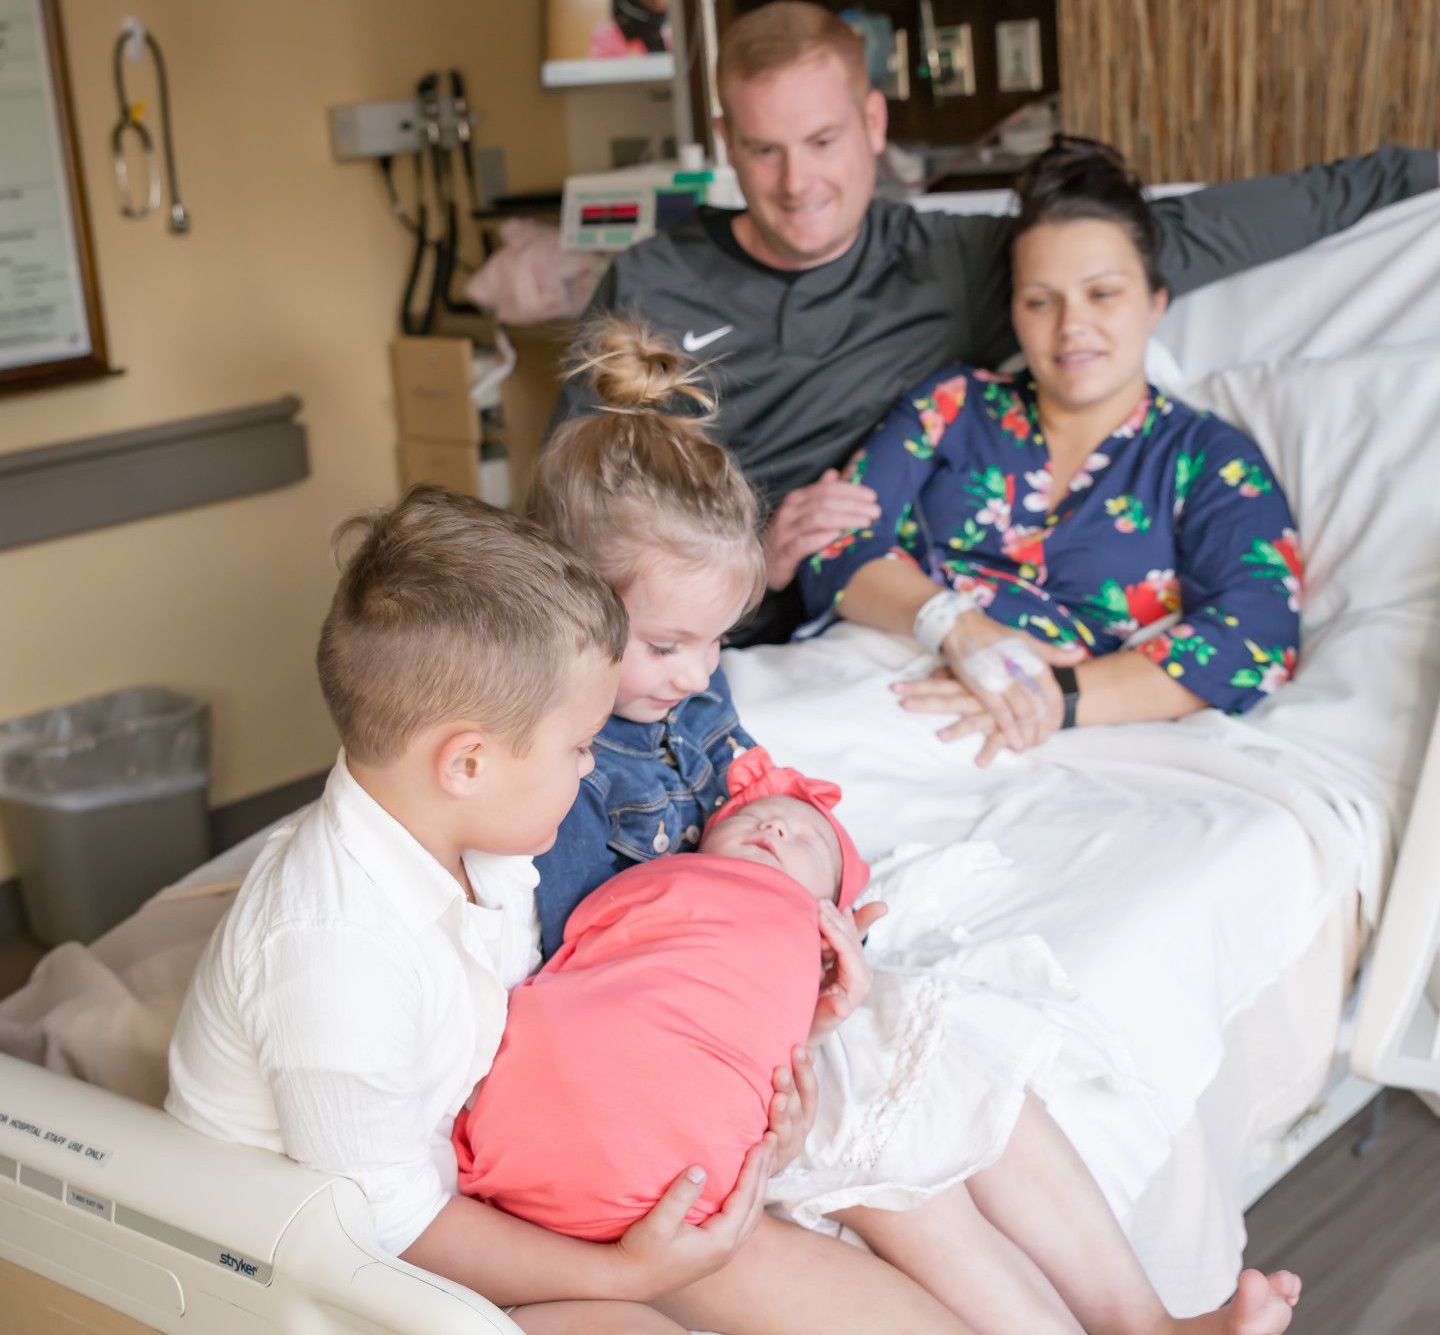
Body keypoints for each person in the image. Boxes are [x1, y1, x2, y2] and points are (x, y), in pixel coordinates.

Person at [530, 316, 1304, 1335]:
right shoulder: (555, 774)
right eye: (671, 644)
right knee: (910, 1177)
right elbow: (586, 970)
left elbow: (769, 803)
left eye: (719, 642)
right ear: (565, 607)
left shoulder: (690, 701)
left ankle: (1146, 1323)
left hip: (765, 984)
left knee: (957, 1061)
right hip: (692, 1037)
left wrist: (824, 902)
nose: (700, 674)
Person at [552, 0, 1438, 644]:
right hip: (671, 635)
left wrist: (1408, 174)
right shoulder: (652, 282)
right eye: (764, 150)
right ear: (725, 140)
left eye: (823, 141)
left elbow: (1197, 229)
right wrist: (755, 555)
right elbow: (570, 514)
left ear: (872, 121)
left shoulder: (957, 266)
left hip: (852, 626)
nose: (797, 184)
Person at [165, 490, 779, 1335]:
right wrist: (619, 1272)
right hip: (322, 1280)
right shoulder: (333, 953)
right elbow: (386, 1227)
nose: (591, 765)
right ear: (468, 763)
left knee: (791, 1262)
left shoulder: (481, 839)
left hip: (463, 1189)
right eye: (579, 746)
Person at [798, 136, 1301, 767]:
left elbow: (1259, 638)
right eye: (1041, 301)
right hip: (877, 678)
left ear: (1155, 304)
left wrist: (1047, 696)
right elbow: (836, 546)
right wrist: (954, 624)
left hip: (1051, 736)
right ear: (1014, 311)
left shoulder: (1208, 459)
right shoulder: (952, 406)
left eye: (1103, 294)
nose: (1071, 327)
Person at [456, 749, 872, 1241]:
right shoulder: (676, 875)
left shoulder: (802, 941)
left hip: (685, 1178)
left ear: (834, 918)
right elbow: (588, 928)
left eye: (811, 843)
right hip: (686, 1206)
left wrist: (818, 1015)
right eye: (751, 817)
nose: (776, 828)